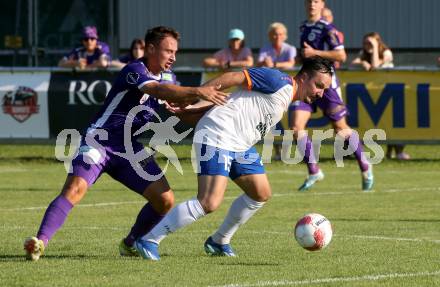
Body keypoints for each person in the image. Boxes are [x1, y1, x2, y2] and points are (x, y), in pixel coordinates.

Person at [23, 26, 229, 261]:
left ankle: (130, 243)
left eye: (175, 52)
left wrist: (212, 105)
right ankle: (39, 242)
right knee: (74, 189)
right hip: (99, 141)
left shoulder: (168, 78)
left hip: (129, 148)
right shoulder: (134, 70)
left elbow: (179, 99)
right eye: (168, 51)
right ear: (150, 48)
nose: (173, 56)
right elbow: (159, 89)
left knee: (165, 200)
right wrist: (197, 91)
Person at [133, 56, 334, 261]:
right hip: (218, 135)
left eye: (325, 89)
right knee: (208, 202)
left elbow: (232, 103)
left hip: (239, 144)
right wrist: (193, 98)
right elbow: (233, 77)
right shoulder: (277, 80)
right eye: (319, 85)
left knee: (260, 193)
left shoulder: (285, 95)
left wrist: (192, 110)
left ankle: (219, 241)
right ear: (305, 76)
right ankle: (149, 239)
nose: (320, 93)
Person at [291, 0, 374, 191]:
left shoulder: (328, 28)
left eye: (316, 1)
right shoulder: (304, 26)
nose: (312, 4)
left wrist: (314, 52)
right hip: (306, 83)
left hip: (326, 85)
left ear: (322, 5)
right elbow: (305, 56)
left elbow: (341, 56)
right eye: (309, 1)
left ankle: (365, 166)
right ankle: (314, 171)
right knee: (296, 127)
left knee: (340, 128)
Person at [351, 32, 410, 160]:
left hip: (388, 91)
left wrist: (375, 49)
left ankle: (397, 151)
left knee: (394, 121)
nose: (367, 45)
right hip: (372, 93)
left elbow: (376, 65)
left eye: (370, 43)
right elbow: (352, 64)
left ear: (378, 42)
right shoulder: (363, 54)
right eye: (365, 43)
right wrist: (362, 63)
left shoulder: (386, 53)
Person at [257, 22, 297, 160]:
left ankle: (288, 149)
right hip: (271, 88)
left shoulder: (290, 48)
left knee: (288, 118)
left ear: (285, 36)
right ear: (270, 36)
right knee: (273, 117)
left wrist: (273, 64)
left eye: (280, 34)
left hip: (287, 87)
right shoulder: (265, 48)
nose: (277, 36)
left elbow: (291, 63)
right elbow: (260, 62)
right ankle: (277, 151)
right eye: (274, 34)